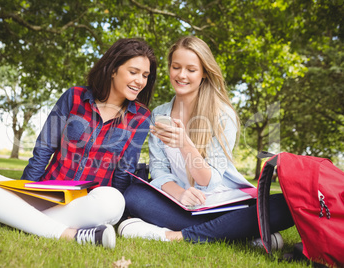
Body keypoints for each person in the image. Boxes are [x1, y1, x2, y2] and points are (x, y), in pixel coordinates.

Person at [0, 38, 157, 249]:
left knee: (114, 201)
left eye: (145, 75)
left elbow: (124, 171)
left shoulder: (140, 117)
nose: (140, 81)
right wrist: (26, 191)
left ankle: (4, 218)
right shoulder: (75, 97)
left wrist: (118, 215)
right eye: (134, 72)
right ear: (113, 69)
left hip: (86, 203)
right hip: (46, 193)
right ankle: (68, 233)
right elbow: (43, 149)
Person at [118, 36, 294, 245]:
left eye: (191, 70)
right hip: (180, 203)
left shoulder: (222, 115)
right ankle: (237, 233)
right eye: (176, 67)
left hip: (223, 200)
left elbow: (208, 181)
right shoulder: (159, 113)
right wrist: (181, 194)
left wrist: (184, 143)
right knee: (134, 195)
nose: (181, 75)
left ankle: (176, 235)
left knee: (286, 205)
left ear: (203, 73)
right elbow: (159, 170)